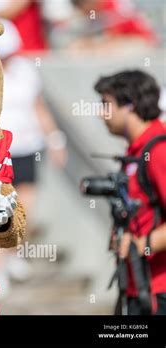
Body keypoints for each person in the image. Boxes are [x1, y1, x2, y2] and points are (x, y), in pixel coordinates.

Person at [0, 20, 67, 296]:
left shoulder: (25, 71)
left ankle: (12, 256)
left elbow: (39, 107)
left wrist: (56, 140)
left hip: (27, 148)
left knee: (26, 211)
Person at [94, 70, 166, 315]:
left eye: (106, 105)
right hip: (138, 287)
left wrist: (140, 245)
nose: (100, 113)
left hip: (159, 291)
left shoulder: (159, 150)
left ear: (130, 105)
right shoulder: (137, 151)